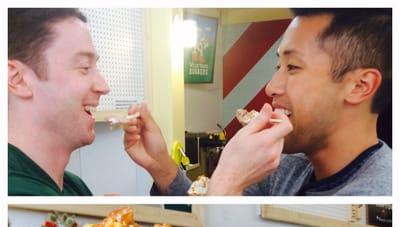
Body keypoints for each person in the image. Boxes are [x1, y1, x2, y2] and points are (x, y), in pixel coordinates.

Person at [124, 8, 392, 195]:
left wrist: (230, 177)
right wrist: (160, 163)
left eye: (293, 67)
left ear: (360, 86)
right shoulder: (285, 165)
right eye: (279, 65)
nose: (271, 87)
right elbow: (213, 207)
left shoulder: (378, 190)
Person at [8, 8, 110, 195]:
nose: (104, 86)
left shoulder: (74, 186)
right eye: (85, 67)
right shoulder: (14, 189)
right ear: (18, 79)